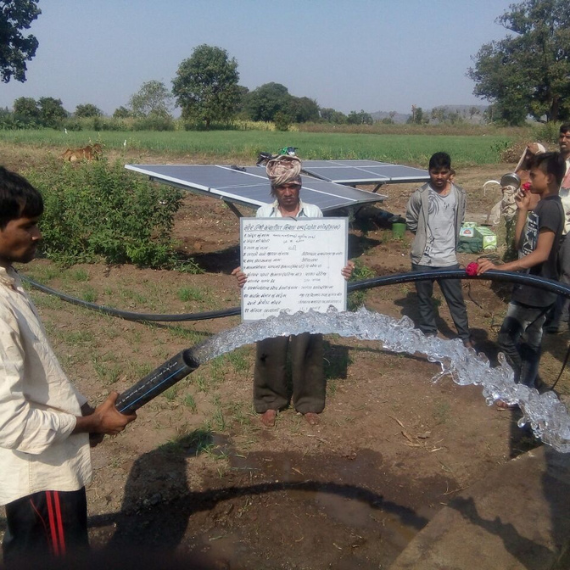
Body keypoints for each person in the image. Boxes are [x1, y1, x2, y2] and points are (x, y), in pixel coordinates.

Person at [0, 166, 136, 565]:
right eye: (27, 226)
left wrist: (83, 410)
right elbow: (9, 421)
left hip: (45, 465)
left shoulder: (8, 280)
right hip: (40, 478)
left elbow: (39, 370)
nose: (38, 234)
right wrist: (90, 424)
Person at [232, 155, 353, 428]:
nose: (288, 192)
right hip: (273, 292)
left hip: (307, 291)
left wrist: (342, 270)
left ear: (300, 187)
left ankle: (308, 402)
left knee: (307, 344)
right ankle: (270, 401)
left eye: (293, 186)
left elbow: (326, 254)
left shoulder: (314, 214)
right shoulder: (263, 215)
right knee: (269, 344)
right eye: (282, 187)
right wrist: (244, 274)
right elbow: (256, 256)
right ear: (274, 189)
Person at [477, 152, 565, 404]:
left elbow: (541, 254)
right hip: (527, 285)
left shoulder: (551, 208)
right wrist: (523, 210)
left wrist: (500, 268)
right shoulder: (541, 206)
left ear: (549, 178)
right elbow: (521, 245)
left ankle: (523, 388)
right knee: (530, 343)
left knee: (507, 339)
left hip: (536, 289)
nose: (528, 179)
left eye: (534, 175)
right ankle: (527, 387)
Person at [405, 152, 471, 346]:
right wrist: (423, 236)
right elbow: (411, 220)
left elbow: (460, 218)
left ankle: (465, 338)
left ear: (450, 172)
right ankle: (429, 335)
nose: (439, 177)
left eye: (443, 172)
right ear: (429, 172)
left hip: (448, 259)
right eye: (435, 172)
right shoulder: (420, 195)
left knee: (456, 300)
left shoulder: (459, 194)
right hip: (423, 259)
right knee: (424, 299)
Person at [488, 143, 546, 261]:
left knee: (525, 246)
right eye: (527, 154)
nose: (528, 157)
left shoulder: (541, 175)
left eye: (532, 155)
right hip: (516, 212)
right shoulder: (519, 172)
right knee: (511, 243)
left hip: (531, 215)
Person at [544, 125, 570, 333]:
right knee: (549, 270)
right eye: (561, 136)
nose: (563, 140)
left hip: (569, 225)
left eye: (568, 137)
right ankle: (548, 313)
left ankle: (560, 318)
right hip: (554, 222)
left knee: (567, 273)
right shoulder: (555, 162)